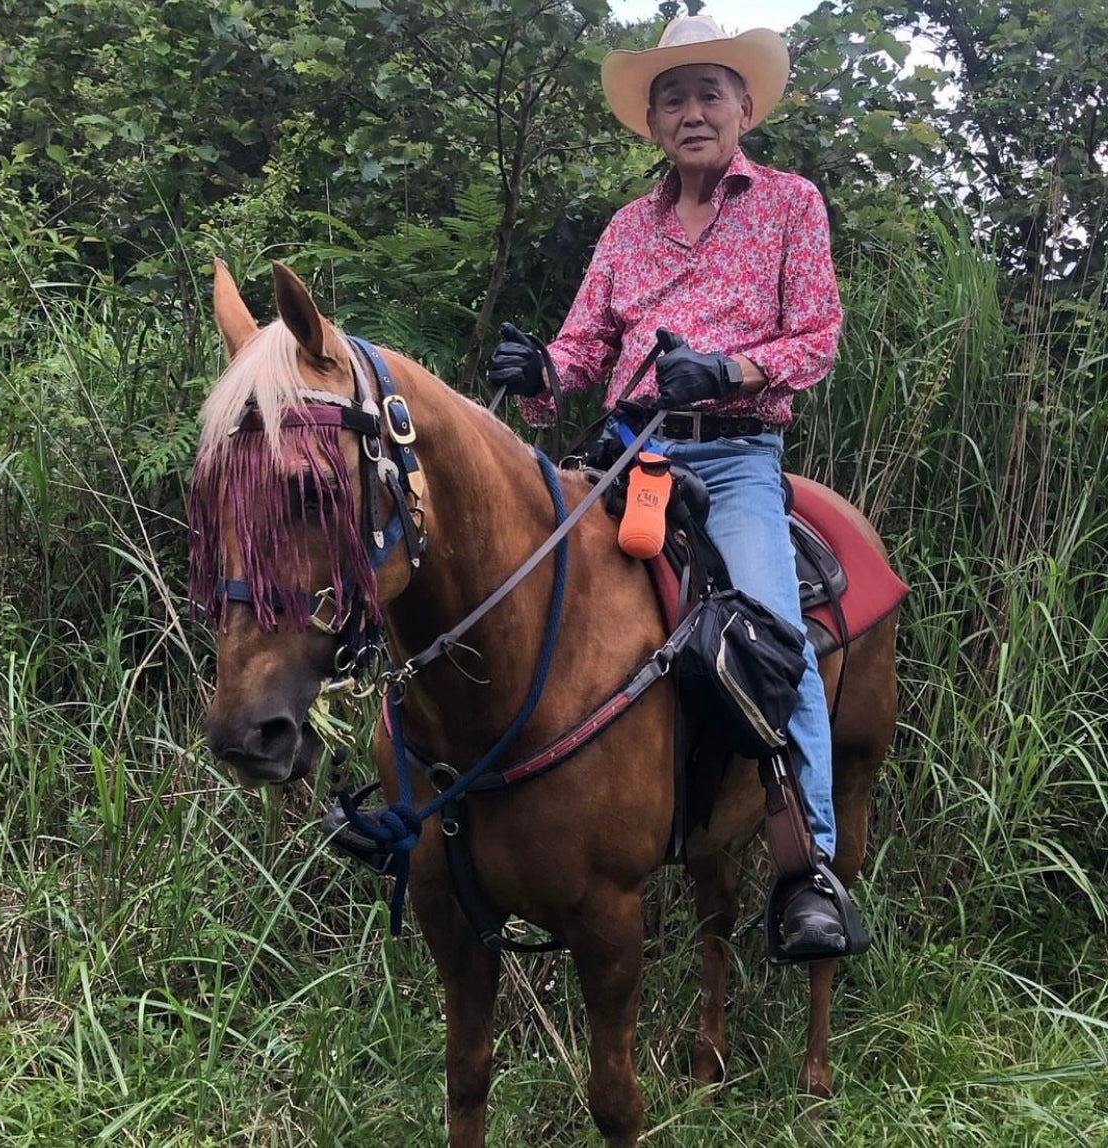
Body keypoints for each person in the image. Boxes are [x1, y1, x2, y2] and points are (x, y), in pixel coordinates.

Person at [489, 13, 853, 959]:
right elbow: (582, 347)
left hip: (731, 457)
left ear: (743, 110)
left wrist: (730, 370)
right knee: (519, 600)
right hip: (624, 455)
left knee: (773, 637)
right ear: (652, 122)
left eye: (709, 94)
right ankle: (490, 834)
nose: (692, 112)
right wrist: (540, 371)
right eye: (673, 99)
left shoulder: (789, 204)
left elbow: (816, 337)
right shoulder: (625, 227)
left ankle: (807, 870)